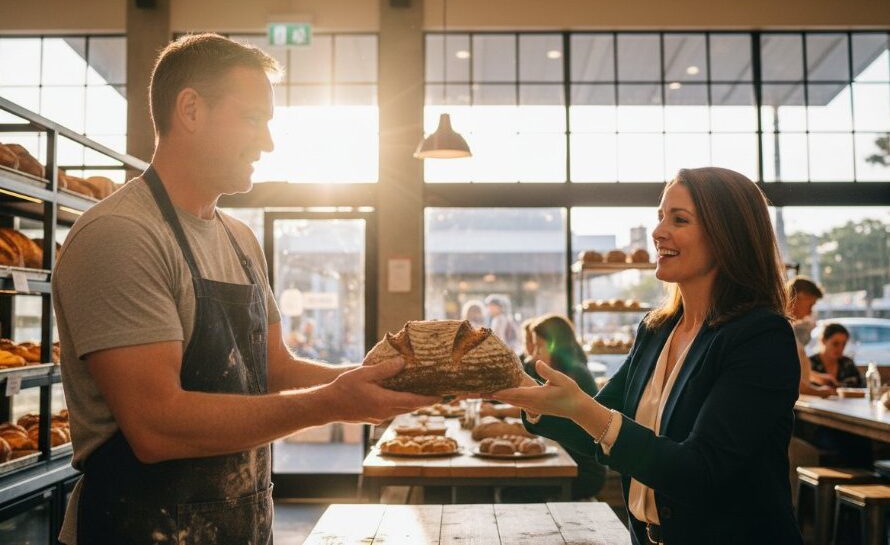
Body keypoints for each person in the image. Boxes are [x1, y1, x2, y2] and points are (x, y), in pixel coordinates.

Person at [52, 34, 435, 544]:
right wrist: (331, 404)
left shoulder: (239, 239)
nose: (269, 142)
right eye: (253, 118)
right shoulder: (121, 235)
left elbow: (274, 369)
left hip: (244, 529)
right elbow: (155, 425)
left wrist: (380, 382)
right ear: (190, 109)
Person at [493, 167, 802, 545]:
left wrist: (584, 409)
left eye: (679, 219)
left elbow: (698, 470)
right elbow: (598, 428)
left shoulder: (760, 337)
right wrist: (523, 391)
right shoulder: (656, 330)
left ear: (728, 236)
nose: (658, 232)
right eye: (660, 216)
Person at [525, 314, 606, 499]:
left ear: (555, 346)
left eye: (539, 346)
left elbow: (552, 423)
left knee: (512, 492)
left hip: (583, 471)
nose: (534, 354)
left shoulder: (576, 375)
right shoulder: (562, 373)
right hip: (565, 462)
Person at [787, 276, 835, 397]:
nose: (810, 312)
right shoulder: (780, 326)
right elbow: (788, 376)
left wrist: (817, 378)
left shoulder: (788, 326)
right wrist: (819, 391)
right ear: (800, 297)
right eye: (811, 305)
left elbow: (794, 368)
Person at [809, 323, 863, 388]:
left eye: (843, 344)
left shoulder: (848, 363)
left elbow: (860, 387)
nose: (840, 348)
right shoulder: (809, 363)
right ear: (823, 340)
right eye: (835, 344)